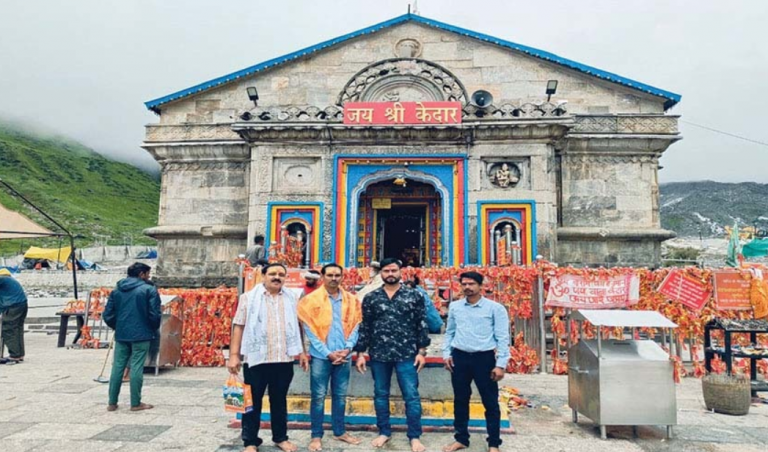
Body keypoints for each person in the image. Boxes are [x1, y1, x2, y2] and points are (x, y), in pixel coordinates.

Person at [228, 263, 309, 452]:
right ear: (263, 276)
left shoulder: (292, 298)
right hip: (256, 359)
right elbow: (238, 326)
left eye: (281, 274)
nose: (277, 277)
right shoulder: (248, 298)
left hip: (283, 358)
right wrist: (234, 355)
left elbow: (300, 326)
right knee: (252, 402)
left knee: (279, 400)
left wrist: (303, 351)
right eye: (272, 273)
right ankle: (250, 441)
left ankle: (280, 437)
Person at [354, 258, 430, 452]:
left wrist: (422, 351)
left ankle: (414, 436)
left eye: (393, 270)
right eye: (386, 271)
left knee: (411, 396)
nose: (390, 274)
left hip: (407, 354)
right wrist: (361, 353)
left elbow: (421, 324)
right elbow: (365, 327)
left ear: (400, 272)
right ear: (381, 274)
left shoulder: (414, 296)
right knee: (380, 395)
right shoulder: (371, 298)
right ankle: (384, 431)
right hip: (379, 354)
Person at [442, 271, 510, 452]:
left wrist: (501, 364)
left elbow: (503, 338)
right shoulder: (455, 307)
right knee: (460, 400)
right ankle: (461, 438)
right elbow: (450, 332)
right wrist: (446, 354)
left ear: (481, 286)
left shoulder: (495, 309)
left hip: (484, 359)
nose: (467, 287)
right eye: (464, 284)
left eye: (471, 284)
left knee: (490, 402)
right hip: (460, 357)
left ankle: (494, 443)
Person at [297, 263, 363, 451]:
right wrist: (328, 353)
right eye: (330, 275)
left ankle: (340, 431)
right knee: (318, 397)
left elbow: (356, 325)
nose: (334, 278)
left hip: (344, 356)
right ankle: (316, 435)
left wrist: (348, 348)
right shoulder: (310, 301)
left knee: (340, 396)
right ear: (323, 277)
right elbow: (310, 331)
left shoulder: (351, 300)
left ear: (342, 277)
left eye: (337, 275)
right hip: (321, 357)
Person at [103, 262, 161, 411]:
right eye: (148, 274)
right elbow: (155, 315)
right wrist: (152, 328)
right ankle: (135, 402)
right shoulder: (149, 290)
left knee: (117, 367)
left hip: (122, 334)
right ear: (141, 274)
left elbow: (108, 314)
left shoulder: (117, 291)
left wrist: (118, 326)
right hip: (142, 334)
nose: (149, 277)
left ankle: (112, 402)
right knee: (136, 366)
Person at [0, 269, 28, 365]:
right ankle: (19, 354)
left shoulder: (3, 279)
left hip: (13, 306)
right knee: (17, 330)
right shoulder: (10, 282)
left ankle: (14, 355)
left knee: (9, 330)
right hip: (21, 305)